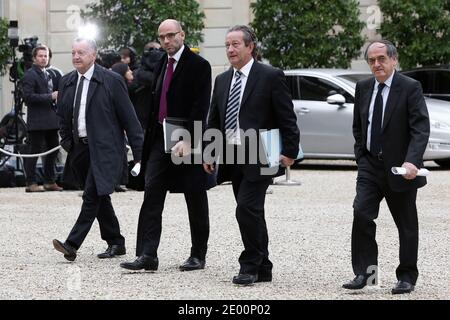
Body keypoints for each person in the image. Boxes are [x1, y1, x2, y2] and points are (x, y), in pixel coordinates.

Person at [203, 25, 300, 285]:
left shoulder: (269, 75)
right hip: (233, 156)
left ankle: (249, 265)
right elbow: (214, 119)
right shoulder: (222, 80)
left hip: (261, 154)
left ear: (250, 47)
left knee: (246, 208)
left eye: (236, 44)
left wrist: (290, 152)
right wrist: (209, 152)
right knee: (252, 212)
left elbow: (286, 116)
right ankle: (264, 266)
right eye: (227, 45)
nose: (230, 49)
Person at [120, 19, 212, 272]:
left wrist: (189, 138)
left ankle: (198, 255)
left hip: (187, 138)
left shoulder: (199, 66)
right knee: (152, 193)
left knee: (194, 195)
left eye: (171, 35)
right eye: (162, 37)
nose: (167, 41)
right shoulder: (162, 62)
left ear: (182, 34)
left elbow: (200, 106)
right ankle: (147, 254)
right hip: (160, 137)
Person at [342, 40, 430, 294]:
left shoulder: (410, 88)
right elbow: (359, 126)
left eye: (381, 59)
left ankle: (407, 277)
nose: (377, 64)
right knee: (361, 214)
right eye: (372, 60)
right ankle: (366, 274)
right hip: (370, 165)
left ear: (393, 60)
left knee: (406, 224)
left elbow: (420, 128)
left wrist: (412, 160)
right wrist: (361, 155)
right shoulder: (363, 87)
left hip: (401, 168)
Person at [52, 38, 144, 261]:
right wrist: (68, 142)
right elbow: (63, 117)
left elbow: (129, 119)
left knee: (91, 195)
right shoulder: (66, 81)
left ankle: (72, 244)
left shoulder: (111, 80)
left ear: (94, 55)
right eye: (73, 52)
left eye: (81, 52)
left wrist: (140, 155)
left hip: (106, 149)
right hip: (80, 150)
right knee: (101, 196)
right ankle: (116, 242)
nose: (76, 56)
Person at [21, 45, 62, 193]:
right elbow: (28, 97)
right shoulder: (29, 75)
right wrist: (50, 96)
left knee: (52, 152)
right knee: (33, 153)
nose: (44, 58)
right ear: (34, 58)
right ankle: (30, 183)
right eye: (40, 56)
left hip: (51, 120)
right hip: (37, 122)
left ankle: (49, 181)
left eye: (46, 56)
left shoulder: (48, 73)